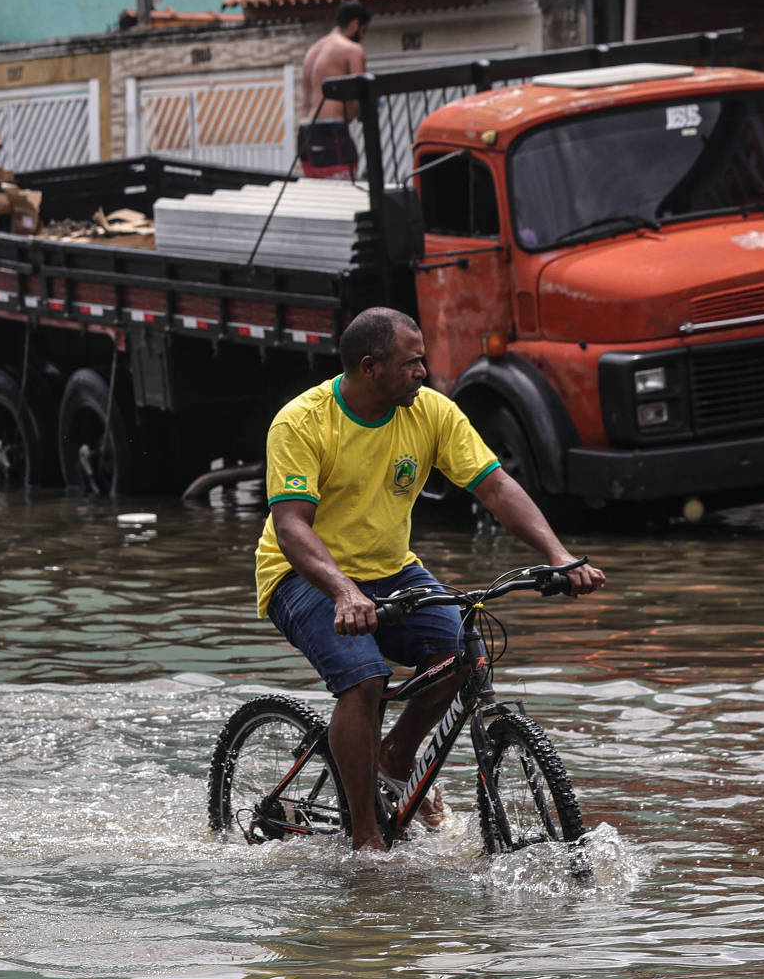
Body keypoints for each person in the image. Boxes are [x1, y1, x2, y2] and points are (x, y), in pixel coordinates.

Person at [259, 307, 607, 852]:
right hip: (303, 574)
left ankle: (395, 759)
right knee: (364, 679)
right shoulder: (302, 421)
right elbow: (291, 526)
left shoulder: (431, 414)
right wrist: (345, 590)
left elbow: (494, 487)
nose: (424, 372)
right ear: (370, 367)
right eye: (412, 363)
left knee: (460, 649)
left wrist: (559, 557)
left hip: (394, 569)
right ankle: (367, 840)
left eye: (424, 360)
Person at [298, 0, 370, 180]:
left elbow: (306, 96)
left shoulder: (313, 49)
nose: (362, 36)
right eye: (363, 31)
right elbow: (359, 95)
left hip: (305, 130)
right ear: (355, 24)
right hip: (330, 129)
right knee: (344, 191)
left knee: (319, 196)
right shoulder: (352, 49)